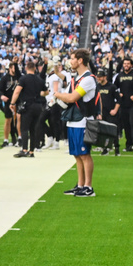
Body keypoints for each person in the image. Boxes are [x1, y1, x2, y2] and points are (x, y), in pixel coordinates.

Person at [51, 48, 97, 197]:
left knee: (84, 154)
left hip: (83, 121)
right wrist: (61, 95)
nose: (70, 61)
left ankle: (88, 187)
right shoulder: (76, 78)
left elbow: (72, 98)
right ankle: (80, 184)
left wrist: (57, 94)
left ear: (80, 60)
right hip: (73, 120)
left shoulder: (88, 79)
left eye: (72, 59)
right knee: (77, 155)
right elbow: (68, 95)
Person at [11, 60, 46, 158]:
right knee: (33, 129)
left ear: (26, 68)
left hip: (28, 105)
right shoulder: (39, 79)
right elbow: (46, 92)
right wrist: (39, 94)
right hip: (38, 106)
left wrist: (12, 103)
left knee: (24, 128)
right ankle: (31, 151)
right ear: (35, 68)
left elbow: (17, 91)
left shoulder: (23, 79)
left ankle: (24, 149)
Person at [114, 58, 133, 152]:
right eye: (124, 63)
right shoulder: (120, 75)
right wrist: (118, 94)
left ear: (131, 65)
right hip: (124, 104)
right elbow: (114, 87)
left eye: (128, 63)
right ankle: (129, 144)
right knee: (126, 125)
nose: (126, 65)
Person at [96, 72, 121, 156]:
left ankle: (116, 149)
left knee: (113, 131)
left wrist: (115, 110)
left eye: (100, 77)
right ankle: (105, 149)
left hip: (111, 112)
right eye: (98, 77)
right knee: (103, 132)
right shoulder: (97, 87)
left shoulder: (112, 87)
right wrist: (98, 113)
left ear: (105, 77)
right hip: (102, 113)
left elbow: (119, 100)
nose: (98, 78)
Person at [0, 63, 20, 146]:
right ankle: (6, 140)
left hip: (18, 101)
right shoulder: (4, 78)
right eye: (14, 67)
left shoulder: (19, 77)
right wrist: (1, 96)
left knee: (18, 119)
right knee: (8, 120)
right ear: (10, 68)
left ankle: (20, 138)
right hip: (8, 101)